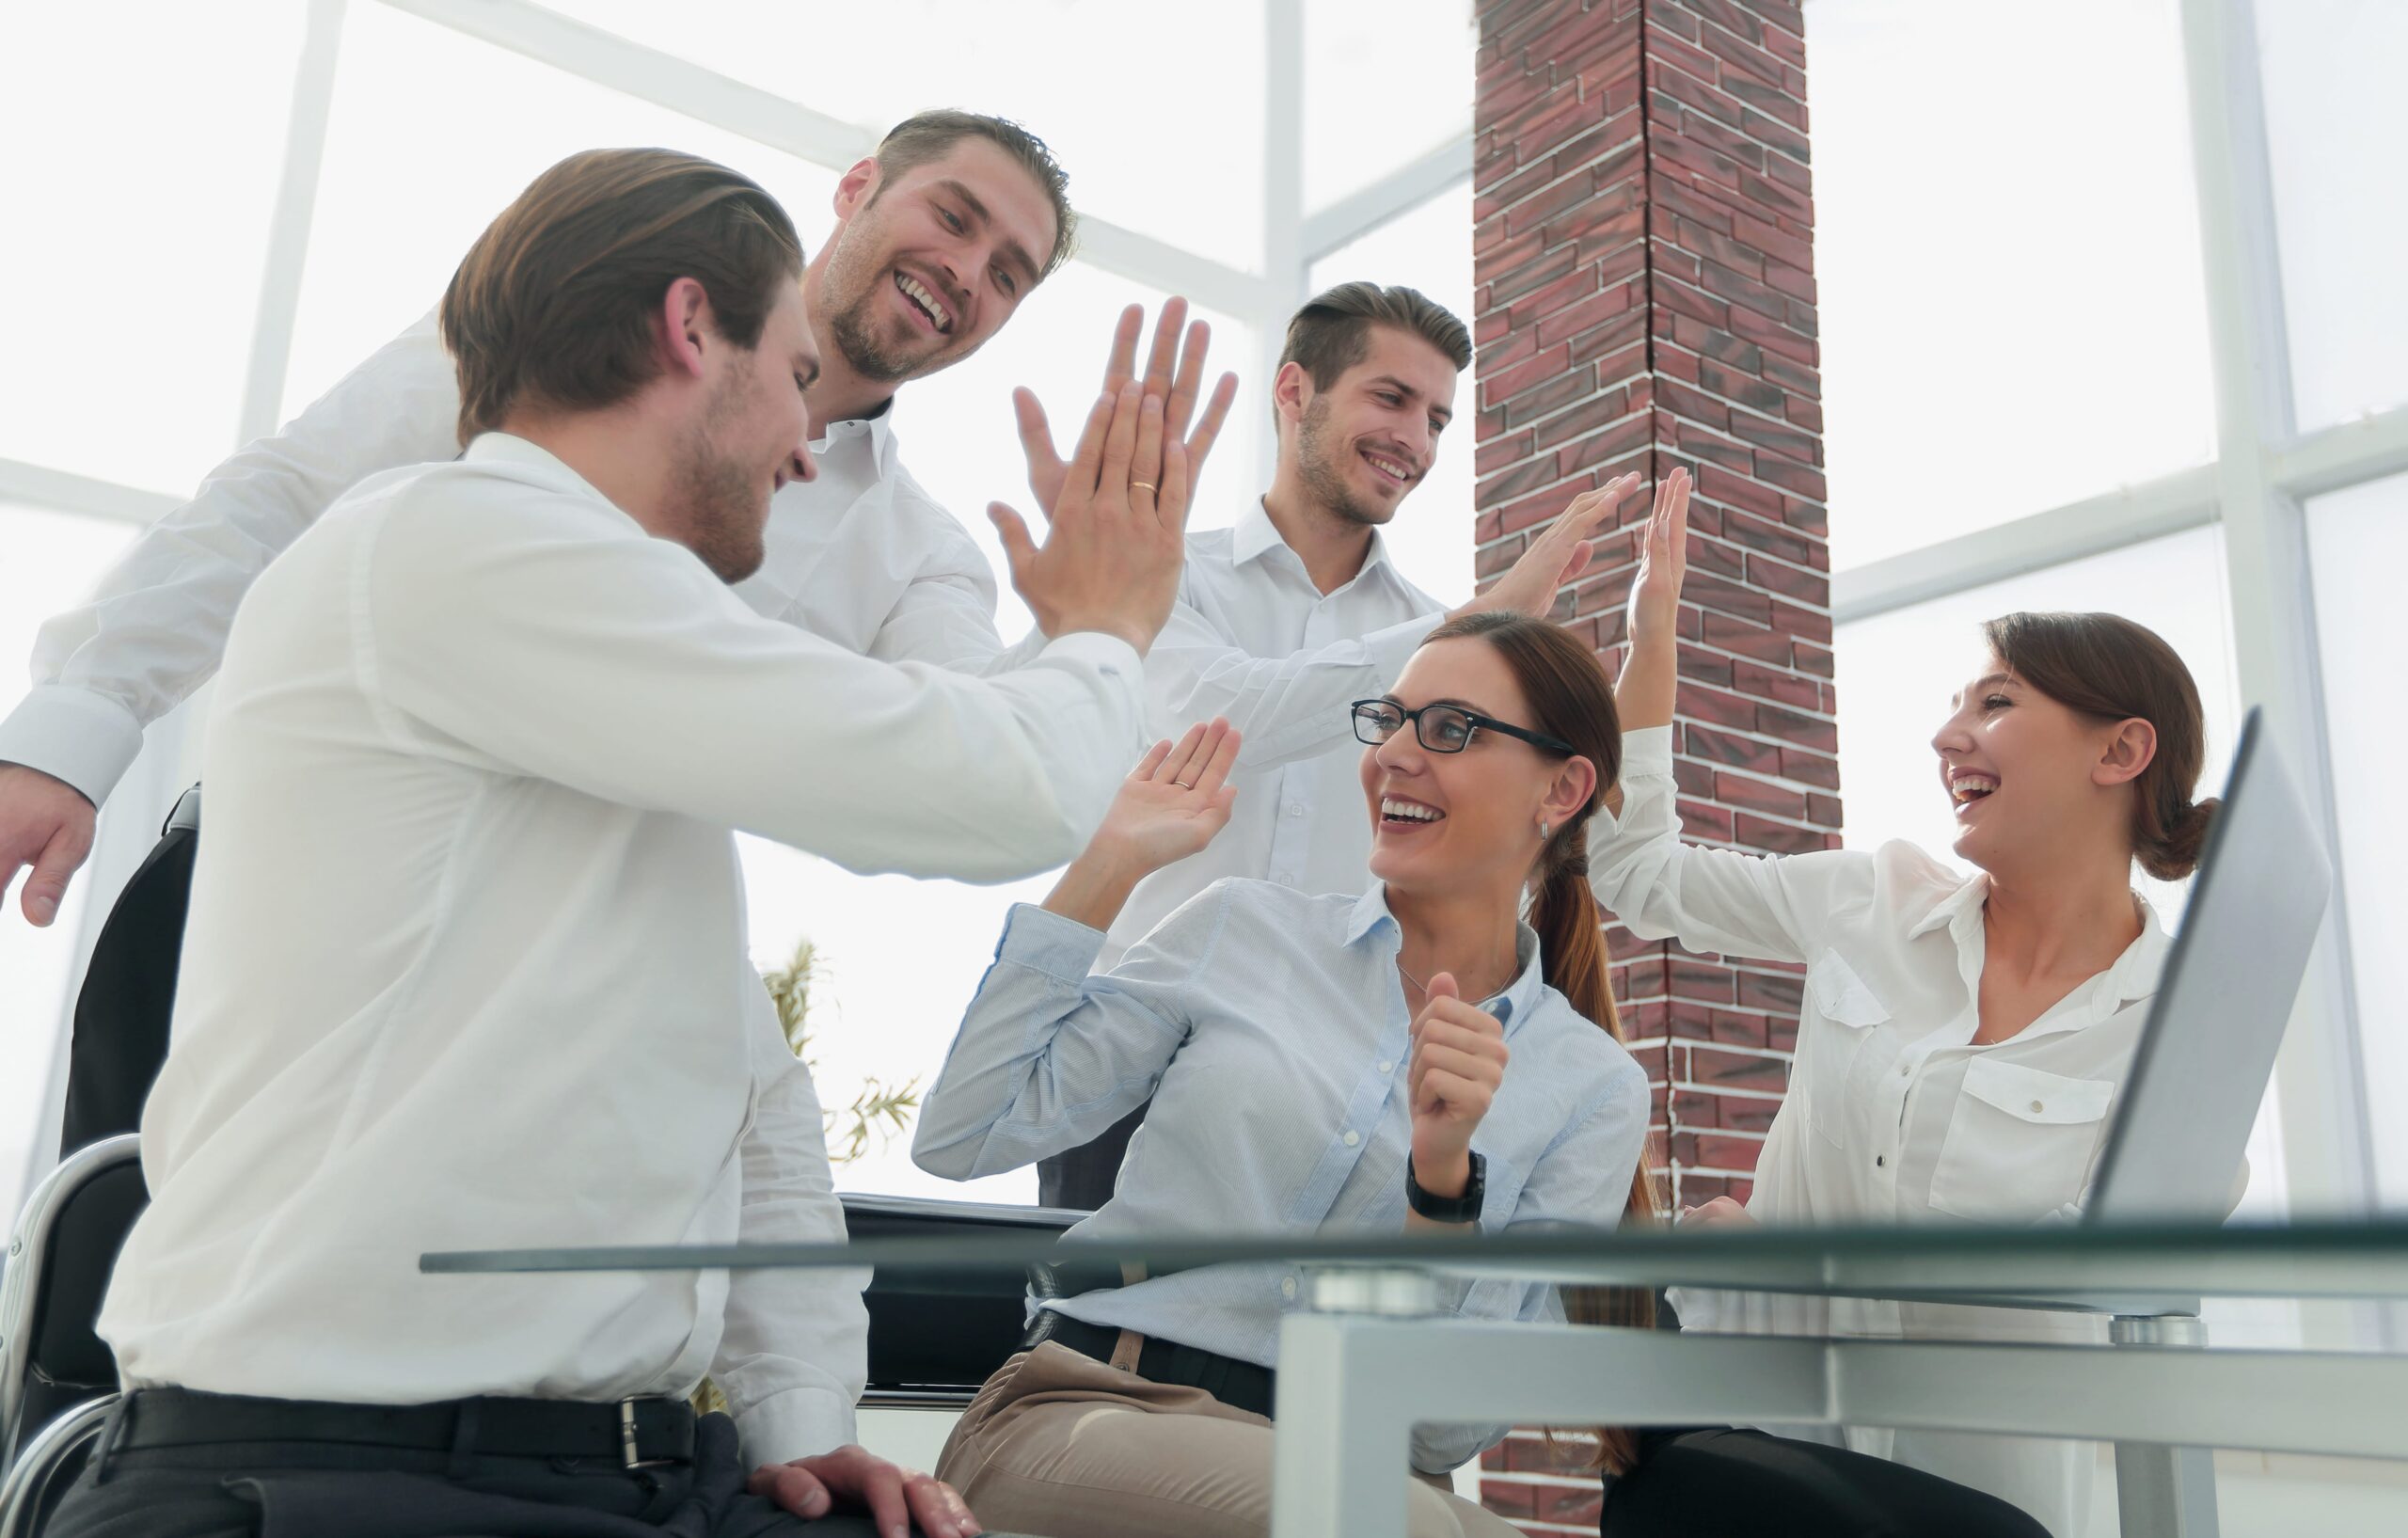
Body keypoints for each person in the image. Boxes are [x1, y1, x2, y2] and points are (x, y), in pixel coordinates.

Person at [45, 146, 1196, 1538]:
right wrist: (1105, 620)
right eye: (788, 386)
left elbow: (753, 1073)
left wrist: (802, 1429)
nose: (803, 444)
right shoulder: (462, 532)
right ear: (692, 324)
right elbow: (986, 777)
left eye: (1012, 270)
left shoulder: (717, 677)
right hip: (335, 1471)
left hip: (615, 1471)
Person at [0, 108, 1236, 931]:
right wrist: (83, 718)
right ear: (860, 187)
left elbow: (965, 753)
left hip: (540, 973)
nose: (969, 271)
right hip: (273, 888)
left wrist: (1097, 612)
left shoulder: (922, 554)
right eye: (954, 217)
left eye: (1009, 271)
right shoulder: (587, 305)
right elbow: (289, 492)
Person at [911, 604, 1657, 1538]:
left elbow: (1451, 1425)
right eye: (1386, 720)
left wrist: (1441, 1192)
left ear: (1563, 789)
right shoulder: (1241, 929)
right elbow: (963, 1132)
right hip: (1089, 1413)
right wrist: (1107, 864)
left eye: (1450, 729)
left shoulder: (1590, 1090)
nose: (1392, 754)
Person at [1584, 471, 2222, 1538]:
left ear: (2120, 751)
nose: (1946, 737)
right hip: (1744, 1448)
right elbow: (1638, 874)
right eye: (1955, 705)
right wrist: (1652, 635)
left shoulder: (2171, 1038)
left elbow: (2094, 1275)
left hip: (1964, 1504)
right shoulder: (1871, 898)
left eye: (1996, 702)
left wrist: (1789, 1261)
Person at [1032, 281, 1631, 1208]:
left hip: (1317, 1082)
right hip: (1127, 1049)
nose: (1416, 441)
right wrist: (1475, 622)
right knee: (1083, 1343)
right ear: (1293, 392)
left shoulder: (1443, 652)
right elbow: (1228, 720)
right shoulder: (1161, 575)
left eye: (1436, 419)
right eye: (1389, 399)